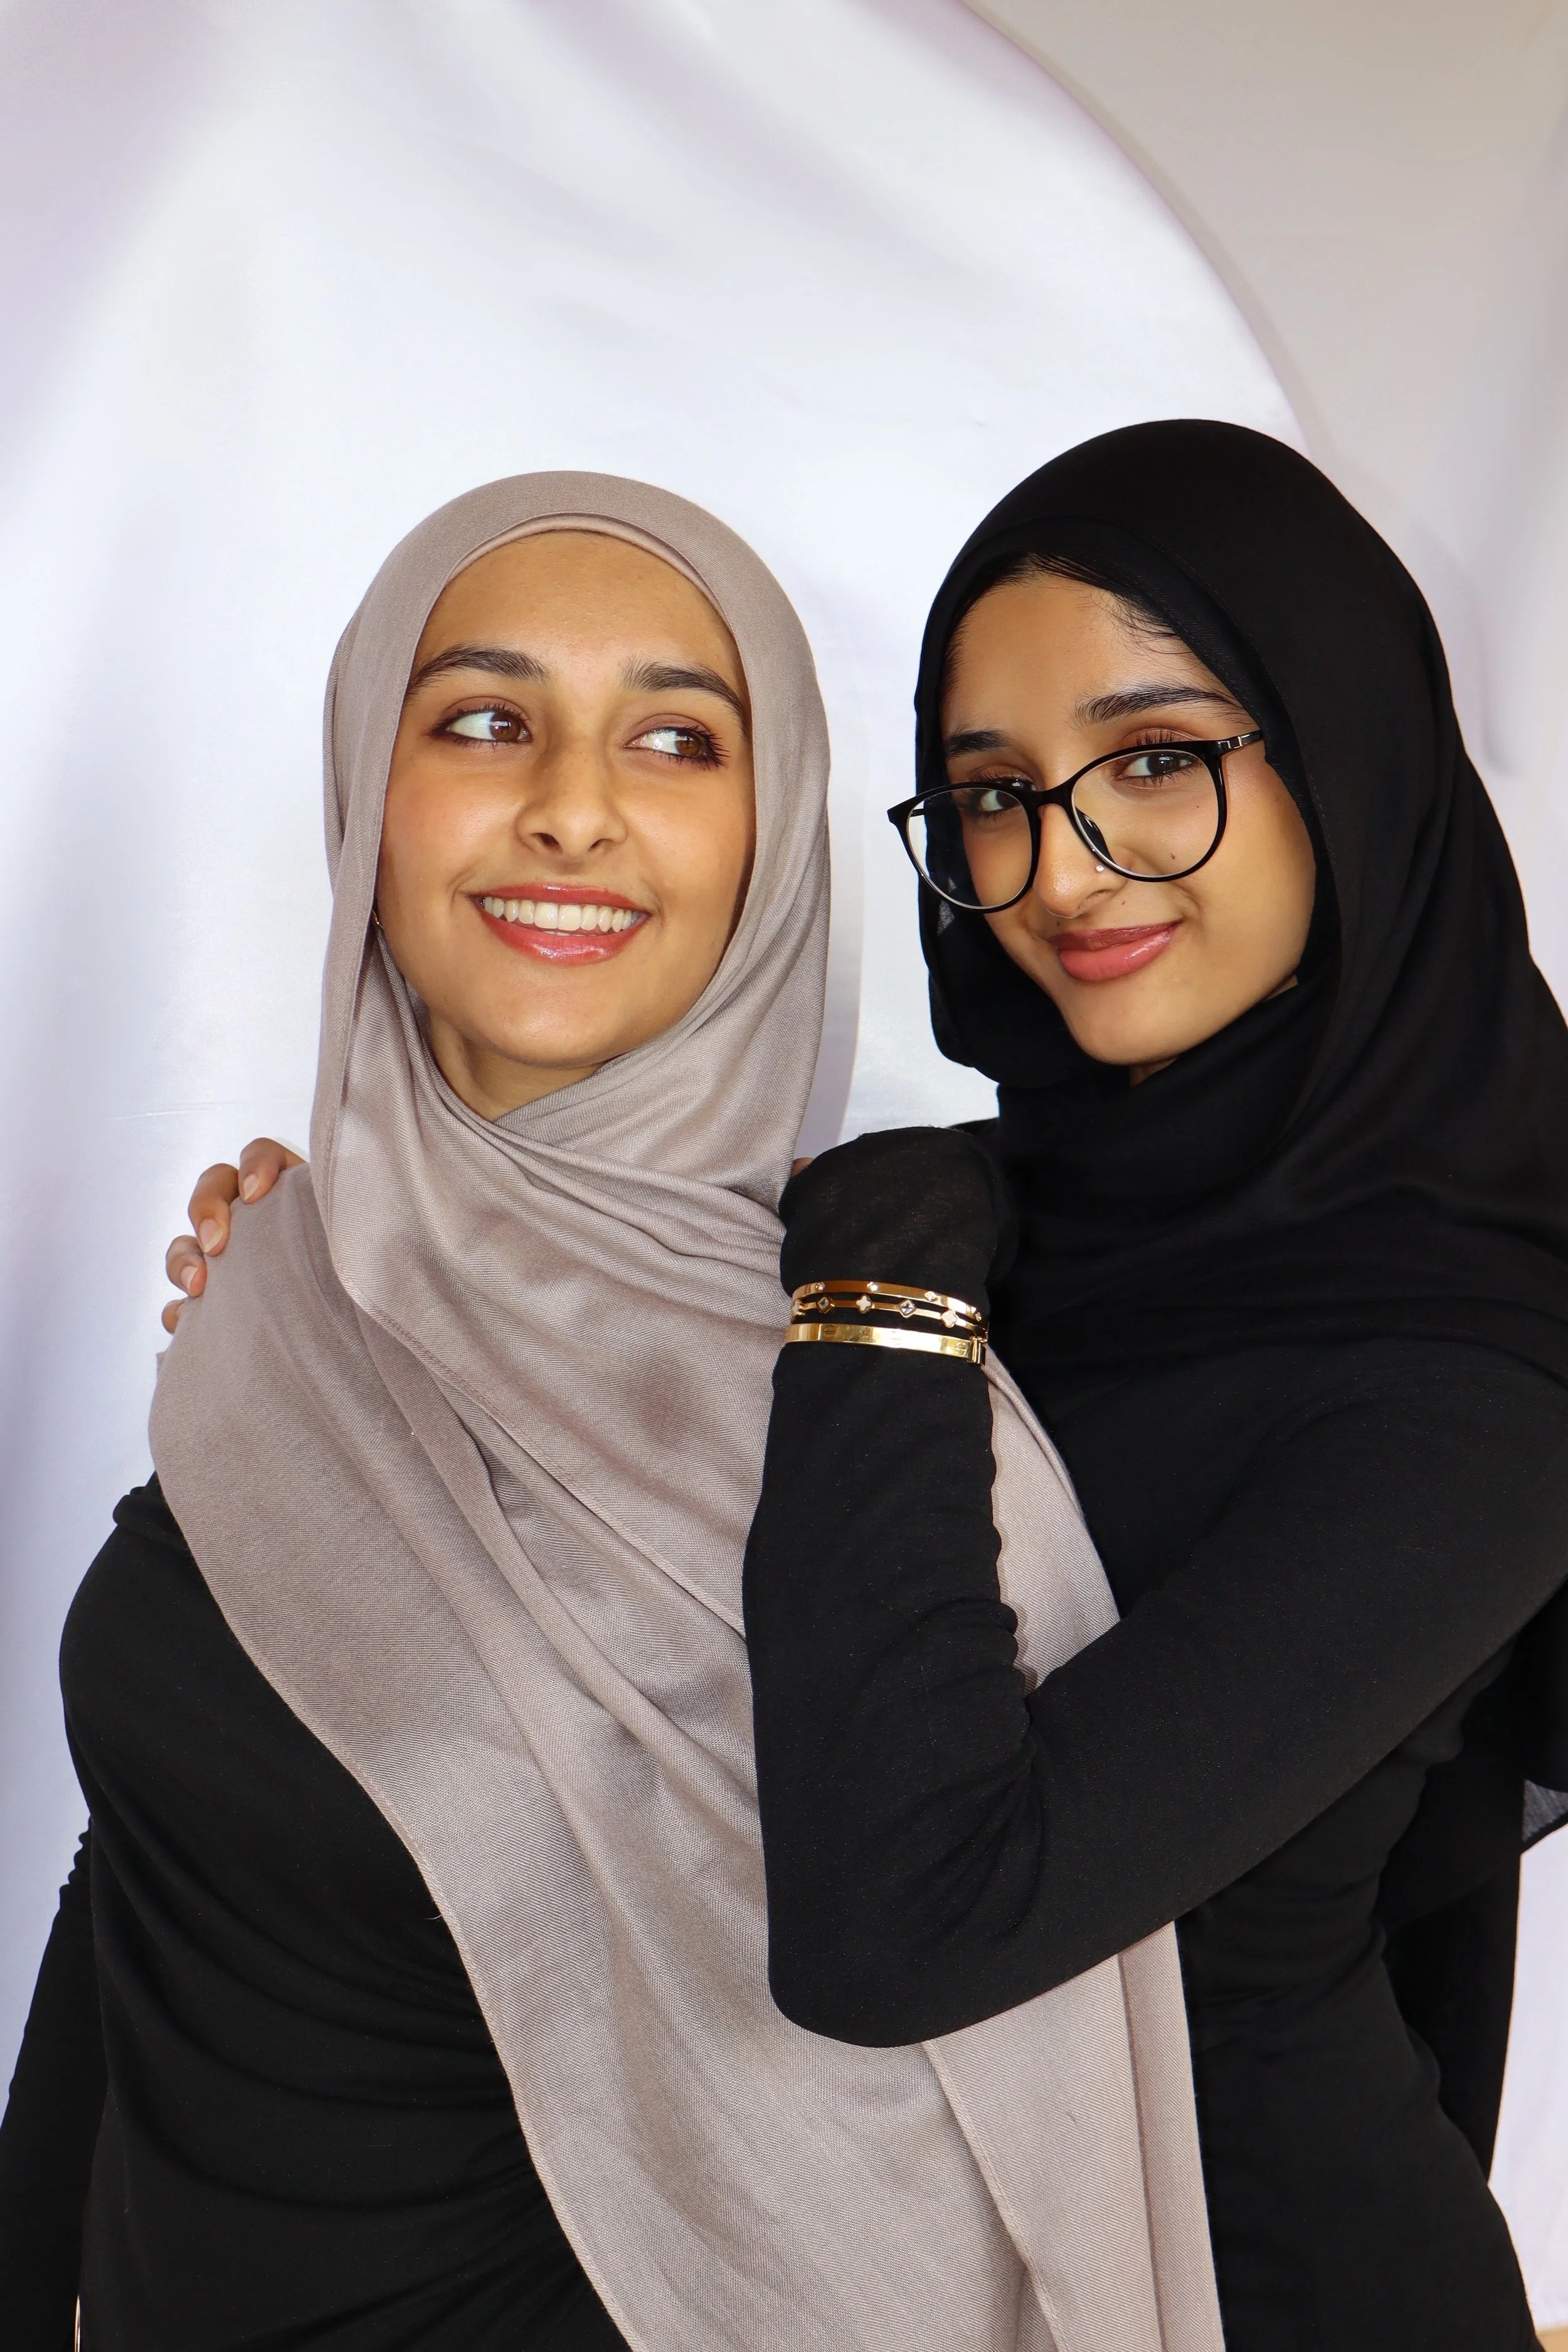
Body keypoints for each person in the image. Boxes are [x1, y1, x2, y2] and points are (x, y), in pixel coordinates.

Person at [0, 471, 1226, 2351]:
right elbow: (142, 1892)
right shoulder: (279, 1301)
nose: (571, 804)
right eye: (483, 720)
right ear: (368, 797)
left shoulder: (877, 1390)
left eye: (674, 738)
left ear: (772, 835)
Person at [740, 422, 1568, 2352]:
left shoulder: (1483, 1378)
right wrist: (322, 1274)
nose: (1067, 865)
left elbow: (901, 1925)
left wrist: (870, 1301)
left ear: (1341, 757)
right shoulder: (979, 1233)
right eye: (995, 792)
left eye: (1158, 758)